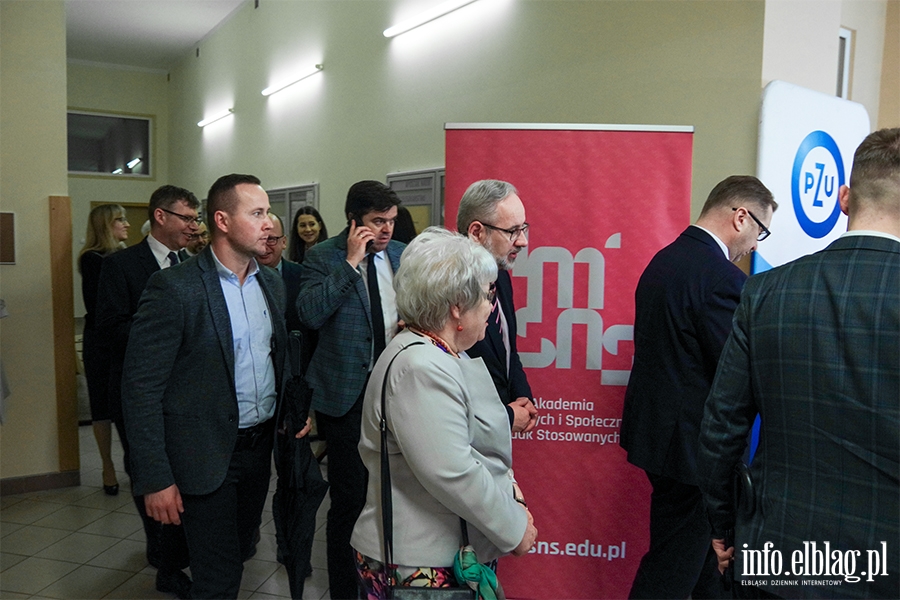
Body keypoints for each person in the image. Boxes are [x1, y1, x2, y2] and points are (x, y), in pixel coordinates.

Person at [699, 128, 900, 599]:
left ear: (844, 199)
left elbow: (720, 430)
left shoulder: (767, 291)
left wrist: (726, 528)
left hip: (778, 556)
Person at [120, 174, 310, 599]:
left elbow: (273, 360)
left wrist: (294, 411)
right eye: (257, 213)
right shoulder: (175, 288)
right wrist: (154, 477)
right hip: (202, 454)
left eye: (268, 213)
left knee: (240, 552)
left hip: (258, 451)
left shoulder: (271, 283)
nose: (269, 224)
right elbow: (141, 388)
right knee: (218, 577)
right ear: (222, 220)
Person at [351, 227, 538, 596]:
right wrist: (515, 526)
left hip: (439, 554)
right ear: (456, 304)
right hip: (419, 563)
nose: (490, 307)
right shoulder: (420, 367)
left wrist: (513, 497)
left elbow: (479, 443)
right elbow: (453, 471)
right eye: (487, 295)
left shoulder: (439, 354)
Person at [619, 175, 777, 599]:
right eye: (760, 231)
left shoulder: (662, 261)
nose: (757, 245)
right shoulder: (723, 278)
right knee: (673, 568)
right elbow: (735, 373)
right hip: (694, 452)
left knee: (709, 565)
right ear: (740, 217)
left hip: (660, 439)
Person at [297, 180, 405, 598]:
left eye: (392, 221)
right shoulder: (324, 256)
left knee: (392, 496)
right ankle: (344, 590)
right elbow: (309, 314)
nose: (387, 230)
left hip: (396, 393)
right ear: (353, 220)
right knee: (350, 500)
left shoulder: (399, 255)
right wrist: (350, 263)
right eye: (378, 222)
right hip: (346, 397)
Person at [95, 184, 200, 598]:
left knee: (184, 476)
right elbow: (109, 328)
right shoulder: (121, 266)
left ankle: (175, 552)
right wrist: (165, 334)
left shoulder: (196, 265)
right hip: (140, 390)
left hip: (188, 394)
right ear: (160, 216)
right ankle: (163, 558)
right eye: (186, 218)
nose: (193, 227)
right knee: (149, 472)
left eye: (196, 219)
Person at [457, 180, 538, 434]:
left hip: (498, 431)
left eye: (523, 228)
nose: (523, 241)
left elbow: (507, 351)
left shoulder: (499, 275)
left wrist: (521, 395)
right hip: (466, 434)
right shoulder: (447, 291)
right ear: (477, 232)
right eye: (513, 231)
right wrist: (505, 415)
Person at [79, 203, 129, 497]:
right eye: (120, 220)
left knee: (125, 403)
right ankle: (107, 466)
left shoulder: (125, 256)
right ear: (105, 226)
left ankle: (132, 463)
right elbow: (102, 308)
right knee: (101, 406)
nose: (126, 224)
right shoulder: (92, 259)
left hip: (122, 340)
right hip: (100, 341)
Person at [259, 212, 302, 334]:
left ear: (284, 242)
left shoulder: (301, 276)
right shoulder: (242, 278)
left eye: (271, 239)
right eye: (260, 239)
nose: (264, 247)